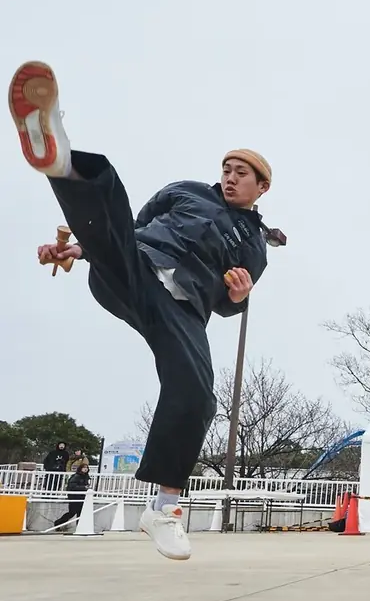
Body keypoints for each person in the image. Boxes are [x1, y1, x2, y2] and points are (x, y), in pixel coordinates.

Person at [9, 61, 274, 560]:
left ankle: (165, 507)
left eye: (243, 175)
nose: (230, 178)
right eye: (227, 170)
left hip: (184, 307)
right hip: (138, 271)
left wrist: (237, 297)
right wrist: (80, 248)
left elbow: (228, 301)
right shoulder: (184, 192)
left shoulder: (254, 244)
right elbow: (127, 231)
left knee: (198, 393)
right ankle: (62, 159)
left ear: (261, 187)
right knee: (108, 191)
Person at [53, 463, 91, 529]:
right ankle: (58, 523)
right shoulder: (76, 476)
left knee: (80, 513)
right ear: (80, 468)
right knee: (72, 513)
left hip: (82, 497)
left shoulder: (86, 477)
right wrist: (84, 487)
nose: (85, 469)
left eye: (87, 467)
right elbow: (72, 486)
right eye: (84, 467)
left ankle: (79, 527)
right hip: (74, 497)